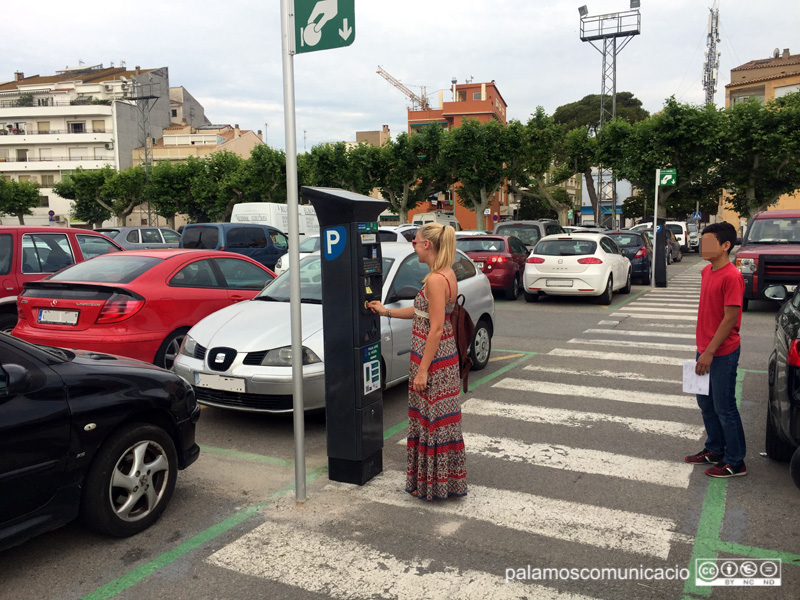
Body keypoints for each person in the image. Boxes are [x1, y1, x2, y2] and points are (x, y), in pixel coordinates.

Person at [368, 223, 467, 500]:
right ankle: (444, 482)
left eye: (415, 241)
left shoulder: (436, 280)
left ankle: (432, 486)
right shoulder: (445, 274)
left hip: (433, 359)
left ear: (428, 246)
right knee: (439, 421)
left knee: (431, 421)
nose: (412, 245)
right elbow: (423, 312)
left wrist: (422, 370)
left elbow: (435, 327)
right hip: (443, 356)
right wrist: (386, 311)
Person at [685, 222, 747, 478]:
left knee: (724, 406)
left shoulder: (732, 276)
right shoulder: (707, 271)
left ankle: (736, 461)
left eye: (709, 242)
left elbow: (730, 319)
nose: (703, 247)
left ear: (725, 246)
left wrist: (709, 352)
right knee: (705, 403)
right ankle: (714, 449)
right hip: (705, 348)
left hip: (722, 352)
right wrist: (703, 349)